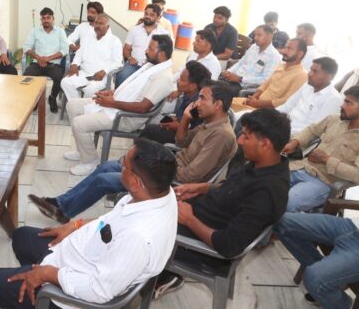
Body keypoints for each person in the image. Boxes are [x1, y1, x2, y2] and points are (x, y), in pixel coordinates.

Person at [0, 138, 178, 309]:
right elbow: (110, 222)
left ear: (135, 182)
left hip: (76, 291)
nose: (120, 165)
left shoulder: (138, 238)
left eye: (124, 164)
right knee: (21, 236)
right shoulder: (160, 193)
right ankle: (30, 291)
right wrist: (75, 226)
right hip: (80, 254)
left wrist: (47, 274)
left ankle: (41, 295)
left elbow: (99, 290)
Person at [30, 80, 237, 223]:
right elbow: (181, 141)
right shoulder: (209, 124)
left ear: (218, 104)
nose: (197, 103)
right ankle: (60, 203)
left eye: (202, 99)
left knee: (103, 180)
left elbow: (191, 176)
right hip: (167, 169)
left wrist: (145, 168)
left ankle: (64, 211)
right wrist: (186, 118)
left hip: (170, 182)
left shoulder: (221, 135)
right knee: (106, 166)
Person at [154, 108, 290, 297]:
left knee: (136, 225)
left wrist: (189, 219)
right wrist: (202, 188)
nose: (240, 141)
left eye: (246, 137)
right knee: (145, 200)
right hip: (200, 215)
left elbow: (228, 246)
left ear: (265, 144)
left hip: (203, 251)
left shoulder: (268, 192)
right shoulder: (262, 164)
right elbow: (233, 188)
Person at [275, 170, 359, 309]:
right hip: (354, 226)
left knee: (314, 278)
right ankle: (331, 274)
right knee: (279, 220)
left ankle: (342, 303)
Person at [64, 35, 174, 176]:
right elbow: (130, 89)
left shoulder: (164, 77)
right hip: (117, 104)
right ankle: (83, 151)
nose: (146, 50)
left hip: (127, 117)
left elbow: (143, 107)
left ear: (162, 54)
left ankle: (90, 162)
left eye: (150, 48)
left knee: (79, 124)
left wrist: (112, 103)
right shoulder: (152, 66)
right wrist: (112, 93)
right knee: (72, 105)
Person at [281, 85, 359, 212]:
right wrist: (295, 142)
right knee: (262, 185)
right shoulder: (335, 120)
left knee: (285, 203)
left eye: (348, 103)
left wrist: (326, 160)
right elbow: (312, 130)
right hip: (301, 168)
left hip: (324, 182)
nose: (342, 105)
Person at [140, 61, 212, 144]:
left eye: (182, 79)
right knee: (159, 122)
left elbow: (194, 131)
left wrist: (176, 126)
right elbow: (179, 118)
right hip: (178, 129)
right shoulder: (187, 95)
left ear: (192, 86)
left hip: (186, 139)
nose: (178, 81)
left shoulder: (197, 105)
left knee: (150, 130)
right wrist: (172, 121)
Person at [277, 56, 342, 136]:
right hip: (282, 126)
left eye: (315, 71)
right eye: (311, 69)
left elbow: (316, 130)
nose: (309, 74)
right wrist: (270, 115)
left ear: (328, 77)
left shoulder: (333, 99)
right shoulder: (307, 85)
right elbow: (287, 106)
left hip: (296, 137)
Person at [61, 14, 122, 99]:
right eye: (96, 23)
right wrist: (74, 64)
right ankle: (77, 104)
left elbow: (117, 63)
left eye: (101, 23)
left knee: (90, 90)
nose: (97, 26)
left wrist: (104, 71)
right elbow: (79, 54)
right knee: (65, 82)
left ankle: (83, 106)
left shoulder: (115, 41)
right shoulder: (88, 38)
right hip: (84, 73)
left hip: (102, 77)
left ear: (107, 27)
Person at [22, 7, 69, 113]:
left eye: (48, 18)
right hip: (37, 62)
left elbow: (65, 50)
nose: (46, 20)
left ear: (53, 19)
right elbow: (26, 47)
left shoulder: (60, 31)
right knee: (27, 76)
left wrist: (48, 58)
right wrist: (38, 57)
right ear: (41, 20)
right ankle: (34, 99)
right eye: (43, 18)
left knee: (59, 77)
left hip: (53, 63)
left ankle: (52, 97)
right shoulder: (35, 31)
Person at [242, 38, 308, 109]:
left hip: (269, 111)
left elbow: (285, 101)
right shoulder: (282, 66)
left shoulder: (301, 75)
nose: (284, 51)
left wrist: (257, 103)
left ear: (300, 54)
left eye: (289, 48)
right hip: (257, 104)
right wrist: (253, 97)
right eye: (285, 47)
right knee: (233, 104)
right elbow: (266, 84)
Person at [114, 3, 169, 87]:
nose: (147, 16)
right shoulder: (135, 29)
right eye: (146, 14)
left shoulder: (164, 34)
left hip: (152, 66)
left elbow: (165, 56)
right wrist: (130, 58)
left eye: (152, 15)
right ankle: (116, 95)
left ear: (158, 17)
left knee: (152, 85)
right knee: (122, 75)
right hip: (134, 64)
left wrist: (152, 63)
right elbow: (126, 49)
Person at [220, 24, 282, 95]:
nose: (255, 38)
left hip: (245, 86)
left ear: (269, 36)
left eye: (259, 35)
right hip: (233, 79)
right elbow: (241, 62)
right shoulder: (253, 47)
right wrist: (229, 72)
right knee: (213, 84)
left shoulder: (273, 56)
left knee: (220, 92)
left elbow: (265, 80)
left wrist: (240, 79)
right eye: (255, 35)